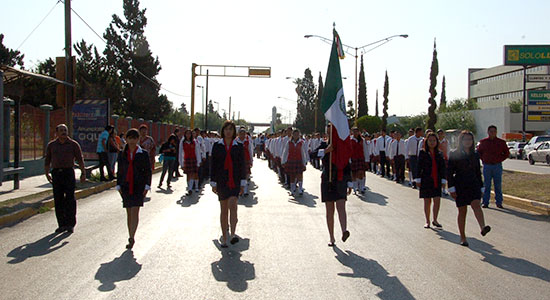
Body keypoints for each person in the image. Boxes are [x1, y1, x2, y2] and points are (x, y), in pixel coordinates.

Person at [447, 130, 491, 247]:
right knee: (462, 211)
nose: (468, 142)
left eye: (470, 139)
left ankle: (483, 227)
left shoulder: (475, 154)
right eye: (465, 139)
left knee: (476, 204)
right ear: (461, 141)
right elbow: (450, 173)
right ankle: (462, 237)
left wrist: (482, 187)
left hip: (474, 184)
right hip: (460, 185)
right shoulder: (454, 153)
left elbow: (478, 171)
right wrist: (451, 188)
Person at [45, 124, 86, 234]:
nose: (64, 132)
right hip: (56, 174)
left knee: (70, 199)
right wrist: (47, 173)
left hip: (68, 173)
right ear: (57, 133)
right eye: (61, 130)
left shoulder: (73, 144)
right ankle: (61, 224)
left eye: (65, 130)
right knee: (58, 200)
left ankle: (70, 224)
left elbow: (80, 159)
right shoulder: (52, 145)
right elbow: (47, 160)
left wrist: (83, 172)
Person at [211, 121, 247, 248]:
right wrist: (213, 182)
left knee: (233, 205)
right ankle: (224, 238)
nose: (228, 131)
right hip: (221, 181)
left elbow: (242, 165)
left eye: (231, 129)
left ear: (233, 132)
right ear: (223, 131)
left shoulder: (238, 146)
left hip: (235, 180)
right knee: (224, 209)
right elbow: (213, 164)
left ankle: (233, 234)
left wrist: (243, 182)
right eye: (226, 129)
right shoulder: (217, 146)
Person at [116, 128, 152, 249]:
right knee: (128, 211)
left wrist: (147, 186)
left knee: (135, 211)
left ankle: (132, 237)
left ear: (138, 139)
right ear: (126, 139)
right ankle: (130, 233)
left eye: (134, 138)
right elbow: (120, 170)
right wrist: (118, 185)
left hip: (138, 186)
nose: (131, 141)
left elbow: (148, 171)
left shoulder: (143, 154)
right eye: (129, 138)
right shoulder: (122, 154)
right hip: (125, 185)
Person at [319, 124, 352, 247]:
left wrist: (350, 183)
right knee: (329, 210)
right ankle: (331, 237)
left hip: (340, 179)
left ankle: (344, 230)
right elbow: (312, 154)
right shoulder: (323, 145)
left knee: (341, 206)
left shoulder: (341, 146)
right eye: (329, 132)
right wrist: (326, 151)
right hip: (327, 180)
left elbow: (347, 164)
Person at [415, 132, 446, 229]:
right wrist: (418, 179)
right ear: (426, 141)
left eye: (434, 140)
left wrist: (444, 179)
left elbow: (442, 168)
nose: (432, 142)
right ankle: (427, 221)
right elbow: (419, 166)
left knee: (437, 200)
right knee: (427, 201)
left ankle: (435, 219)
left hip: (437, 179)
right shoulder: (422, 153)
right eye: (430, 140)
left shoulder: (439, 153)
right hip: (426, 179)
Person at [477, 125, 510, 209]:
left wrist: (499, 159)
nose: (493, 133)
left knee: (497, 185)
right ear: (488, 132)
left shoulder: (501, 142)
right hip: (487, 166)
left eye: (494, 131)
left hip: (497, 166)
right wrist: (484, 159)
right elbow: (479, 152)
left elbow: (506, 153)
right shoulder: (483, 142)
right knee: (487, 185)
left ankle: (499, 202)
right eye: (491, 131)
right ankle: (485, 202)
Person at [282, 129, 308, 196]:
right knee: (292, 176)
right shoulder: (289, 142)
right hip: (291, 161)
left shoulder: (302, 142)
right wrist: (283, 161)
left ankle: (300, 189)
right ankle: (292, 190)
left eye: (297, 134)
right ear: (292, 135)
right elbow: (285, 152)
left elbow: (303, 153)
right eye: (294, 134)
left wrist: (304, 162)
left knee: (300, 175)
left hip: (299, 161)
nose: (296, 136)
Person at [179, 129, 201, 195]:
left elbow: (197, 152)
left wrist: (198, 161)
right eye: (187, 134)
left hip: (193, 159)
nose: (188, 135)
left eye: (189, 134)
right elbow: (181, 153)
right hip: (187, 159)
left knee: (194, 174)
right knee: (188, 174)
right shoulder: (183, 142)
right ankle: (189, 188)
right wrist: (181, 163)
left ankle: (194, 187)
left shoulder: (194, 141)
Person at [350, 127, 367, 194]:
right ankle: (355, 187)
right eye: (354, 132)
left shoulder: (362, 140)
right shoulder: (350, 140)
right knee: (354, 174)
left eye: (356, 131)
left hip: (361, 158)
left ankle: (362, 186)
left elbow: (365, 150)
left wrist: (367, 159)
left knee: (361, 172)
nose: (355, 133)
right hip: (353, 158)